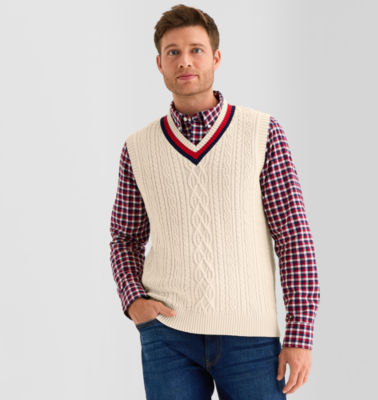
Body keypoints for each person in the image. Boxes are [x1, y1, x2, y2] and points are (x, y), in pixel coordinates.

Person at [109, 4, 320, 399]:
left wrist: (300, 332)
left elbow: (293, 235)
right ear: (159, 63)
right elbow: (125, 237)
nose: (185, 61)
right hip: (168, 336)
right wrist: (134, 300)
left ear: (216, 58)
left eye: (196, 50)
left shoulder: (261, 132)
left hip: (251, 338)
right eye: (173, 52)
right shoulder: (137, 147)